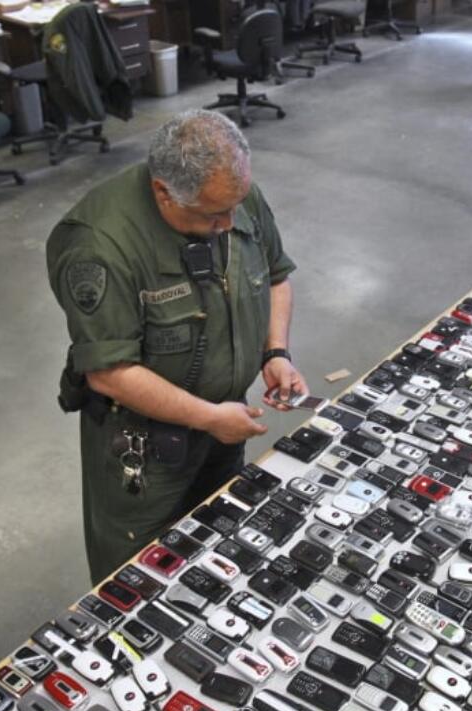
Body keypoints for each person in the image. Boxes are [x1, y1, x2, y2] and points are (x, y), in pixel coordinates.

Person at [47, 109, 307, 583]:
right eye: (213, 214)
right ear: (165, 193)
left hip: (225, 423)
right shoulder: (99, 246)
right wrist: (209, 418)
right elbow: (108, 371)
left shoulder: (233, 198)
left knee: (221, 549)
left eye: (236, 205)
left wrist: (276, 352)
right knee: (140, 577)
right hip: (147, 451)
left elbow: (275, 276)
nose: (230, 223)